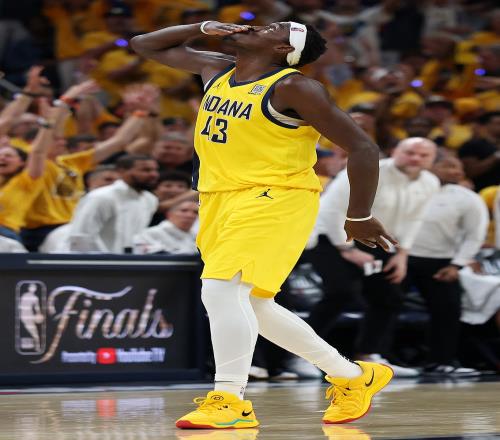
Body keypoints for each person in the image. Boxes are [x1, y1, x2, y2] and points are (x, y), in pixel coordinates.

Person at [132, 20, 397, 429]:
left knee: (221, 289)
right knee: (254, 303)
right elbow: (145, 44)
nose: (256, 26)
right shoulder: (218, 70)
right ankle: (352, 377)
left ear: (283, 50)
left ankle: (230, 399)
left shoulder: (295, 88)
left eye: (274, 28)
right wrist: (203, 26)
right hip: (219, 198)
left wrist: (358, 213)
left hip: (276, 196)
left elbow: (363, 147)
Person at [307, 138, 440, 376]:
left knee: (389, 295)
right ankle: (301, 356)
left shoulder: (430, 182)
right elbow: (331, 210)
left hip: (374, 240)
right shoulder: (367, 170)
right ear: (395, 151)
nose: (416, 158)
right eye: (410, 152)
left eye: (423, 155)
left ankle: (368, 356)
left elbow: (415, 219)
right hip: (329, 236)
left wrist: (402, 254)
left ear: (432, 159)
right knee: (340, 292)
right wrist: (347, 250)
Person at [409, 154, 489, 376]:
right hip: (400, 257)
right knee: (385, 305)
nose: (457, 171)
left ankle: (440, 362)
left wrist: (457, 264)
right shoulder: (408, 189)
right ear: (430, 166)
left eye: (459, 167)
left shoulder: (468, 198)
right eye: (448, 166)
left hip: (441, 261)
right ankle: (375, 358)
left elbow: (475, 235)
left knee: (448, 310)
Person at [67, 154, 159, 253]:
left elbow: (137, 236)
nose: (153, 175)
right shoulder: (101, 197)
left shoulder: (150, 199)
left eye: (155, 170)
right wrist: (104, 260)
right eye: (146, 170)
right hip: (97, 259)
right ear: (122, 171)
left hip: (128, 259)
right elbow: (81, 236)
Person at [133, 200, 198, 254]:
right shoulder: (148, 234)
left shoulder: (196, 236)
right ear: (169, 214)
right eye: (184, 210)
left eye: (195, 212)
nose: (190, 215)